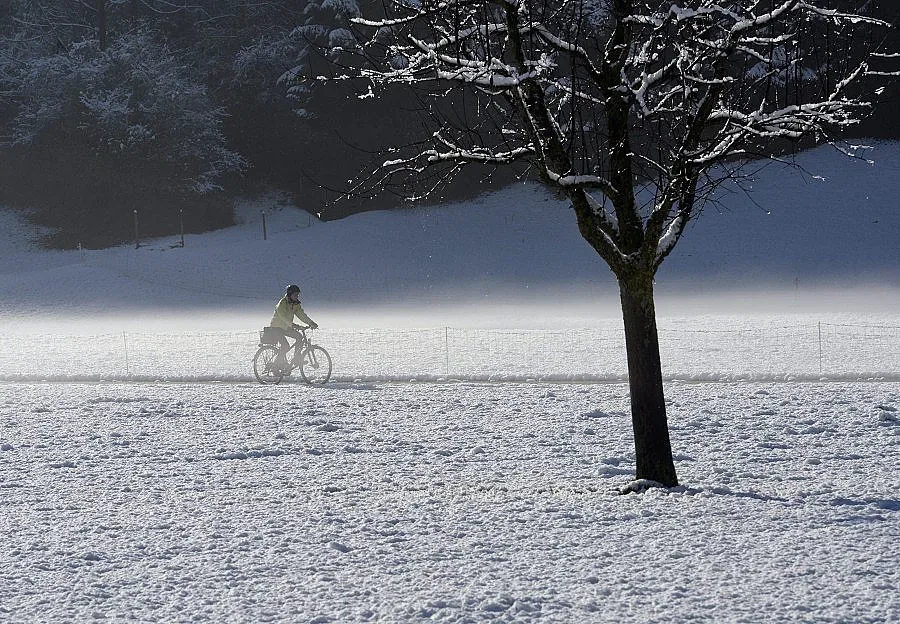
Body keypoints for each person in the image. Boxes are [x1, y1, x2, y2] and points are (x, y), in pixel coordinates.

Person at [270, 284, 318, 370]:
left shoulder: (296, 304)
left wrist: (311, 323)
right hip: (276, 327)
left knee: (299, 337)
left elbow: (301, 315)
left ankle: (296, 359)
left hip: (285, 327)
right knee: (285, 346)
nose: (297, 296)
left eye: (298, 295)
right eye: (295, 294)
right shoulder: (282, 303)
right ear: (289, 294)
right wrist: (293, 325)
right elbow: (282, 317)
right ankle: (276, 364)